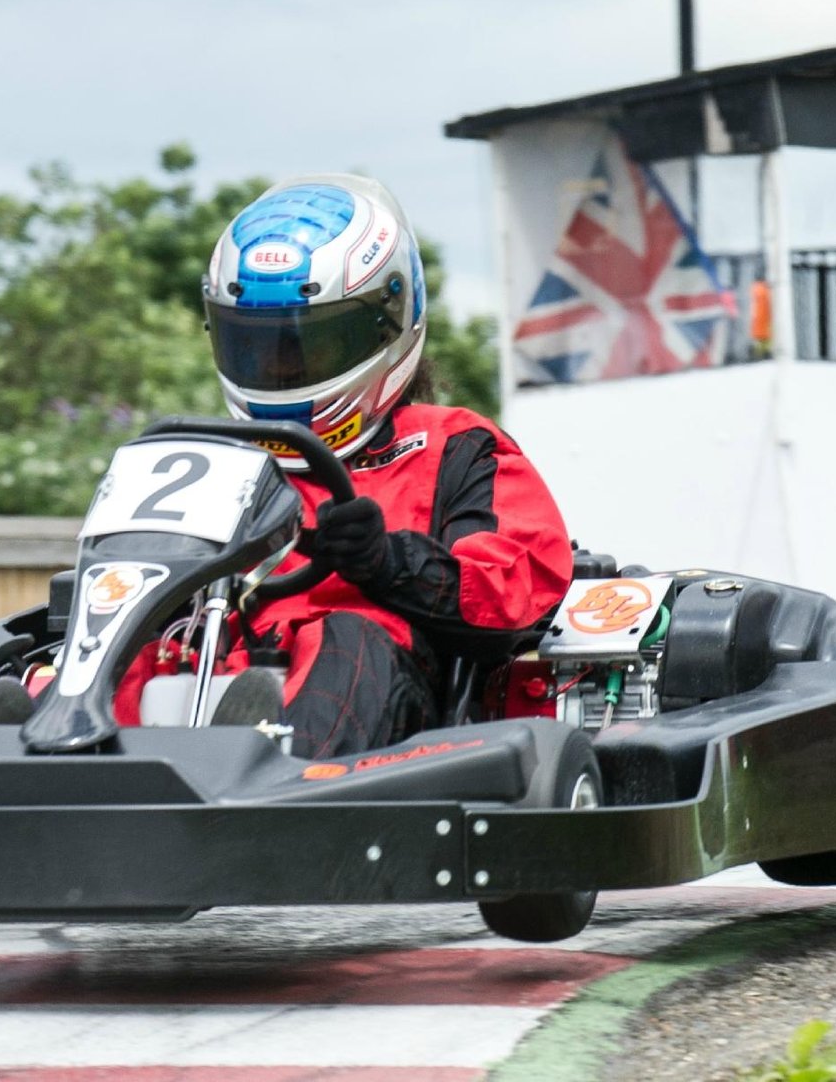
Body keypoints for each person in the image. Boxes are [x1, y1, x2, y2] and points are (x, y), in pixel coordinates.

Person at [114, 173, 574, 759]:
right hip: (217, 668)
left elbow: (513, 596)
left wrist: (388, 561)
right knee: (109, 657)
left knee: (344, 638)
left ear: (385, 320)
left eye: (311, 345)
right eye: (259, 346)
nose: (282, 369)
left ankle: (260, 763)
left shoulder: (455, 447)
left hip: (385, 693)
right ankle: (41, 751)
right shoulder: (215, 459)